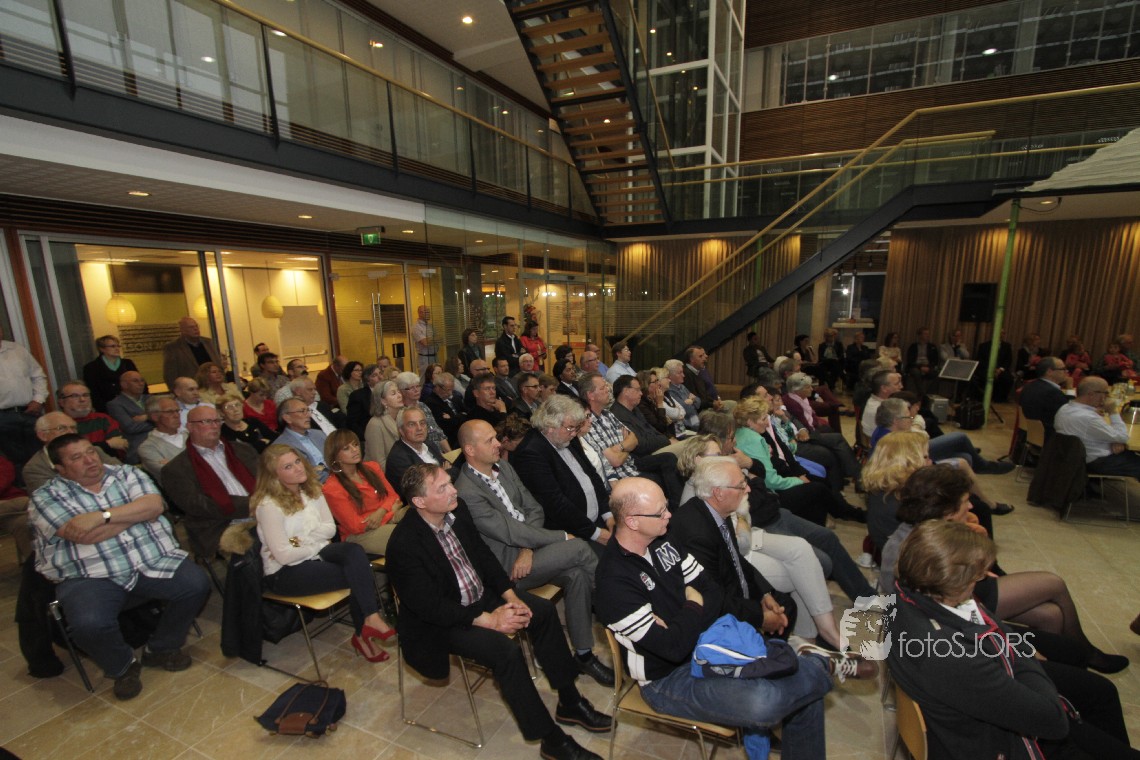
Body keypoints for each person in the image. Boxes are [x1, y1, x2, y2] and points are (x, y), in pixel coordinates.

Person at [595, 477, 838, 760]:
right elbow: (672, 649)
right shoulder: (613, 582)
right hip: (667, 680)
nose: (670, 515)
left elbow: (712, 590)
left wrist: (683, 619)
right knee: (765, 702)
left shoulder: (664, 541)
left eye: (667, 507)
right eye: (660, 512)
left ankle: (810, 666)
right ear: (632, 521)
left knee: (800, 691)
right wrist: (692, 604)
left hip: (711, 644)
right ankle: (820, 664)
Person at [387, 463, 611, 760]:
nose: (454, 490)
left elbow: (483, 557)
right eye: (442, 488)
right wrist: (491, 620)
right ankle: (552, 740)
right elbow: (430, 606)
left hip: (479, 597)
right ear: (419, 501)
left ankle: (570, 702)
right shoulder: (403, 544)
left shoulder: (457, 512)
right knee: (505, 653)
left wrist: (510, 597)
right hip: (443, 621)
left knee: (542, 612)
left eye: (449, 482)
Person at [888, 520, 1140, 759]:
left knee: (1099, 690)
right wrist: (1022, 653)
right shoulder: (949, 655)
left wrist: (1011, 646)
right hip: (998, 744)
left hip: (976, 712)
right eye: (976, 576)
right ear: (952, 582)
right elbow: (1053, 721)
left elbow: (992, 631)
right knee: (1089, 715)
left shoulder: (907, 594)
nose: (984, 577)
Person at [880, 464, 1127, 674]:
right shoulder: (925, 545)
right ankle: (1084, 655)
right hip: (955, 606)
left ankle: (1053, 676)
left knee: (1051, 615)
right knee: (1053, 583)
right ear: (946, 510)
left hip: (958, 597)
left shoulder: (925, 531)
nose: (971, 507)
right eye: (965, 502)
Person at [30, 434, 210, 700]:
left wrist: (102, 516)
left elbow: (154, 505)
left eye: (91, 451)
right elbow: (84, 535)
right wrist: (136, 515)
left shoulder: (126, 473)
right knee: (89, 624)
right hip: (89, 574)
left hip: (150, 560)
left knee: (196, 585)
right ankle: (122, 666)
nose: (90, 460)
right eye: (77, 457)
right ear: (60, 469)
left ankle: (161, 648)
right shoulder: (45, 496)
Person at [454, 419, 614, 686]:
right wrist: (561, 536)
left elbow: (534, 508)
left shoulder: (504, 467)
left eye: (496, 437)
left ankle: (584, 655)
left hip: (530, 551)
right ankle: (620, 612)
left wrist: (528, 548)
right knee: (579, 547)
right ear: (470, 450)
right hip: (507, 568)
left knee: (577, 574)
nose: (498, 443)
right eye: (490, 440)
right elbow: (509, 533)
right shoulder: (466, 492)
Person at [252, 444, 395, 662]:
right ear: (274, 475)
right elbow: (284, 556)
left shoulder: (312, 491)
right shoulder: (268, 506)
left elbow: (330, 529)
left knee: (354, 552)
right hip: (284, 572)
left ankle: (370, 619)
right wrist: (314, 542)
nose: (298, 468)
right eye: (288, 467)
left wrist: (298, 541)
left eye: (297, 461)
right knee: (357, 573)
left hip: (314, 554)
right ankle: (365, 629)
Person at [734, 397, 866, 524]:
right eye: (764, 419)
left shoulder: (743, 433)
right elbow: (771, 481)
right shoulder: (754, 440)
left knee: (820, 486)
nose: (767, 423)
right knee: (819, 489)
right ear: (750, 422)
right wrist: (798, 480)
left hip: (768, 484)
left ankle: (842, 514)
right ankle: (847, 514)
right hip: (770, 494)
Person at [511, 395, 613, 553]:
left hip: (597, 520)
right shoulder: (531, 453)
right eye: (570, 428)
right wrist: (596, 533)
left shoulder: (567, 437)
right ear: (550, 426)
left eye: (576, 428)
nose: (574, 433)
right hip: (573, 533)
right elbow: (555, 504)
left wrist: (608, 515)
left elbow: (592, 475)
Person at [162, 405, 258, 558]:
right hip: (222, 525)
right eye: (207, 421)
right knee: (262, 547)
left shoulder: (243, 449)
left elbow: (267, 480)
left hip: (264, 511)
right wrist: (252, 504)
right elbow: (199, 505)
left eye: (217, 421)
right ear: (190, 427)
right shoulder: (175, 469)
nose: (214, 426)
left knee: (296, 534)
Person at [322, 429, 405, 555]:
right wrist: (391, 511)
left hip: (387, 516)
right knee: (406, 535)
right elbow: (356, 526)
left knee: (423, 514)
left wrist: (381, 512)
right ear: (335, 456)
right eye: (346, 448)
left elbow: (394, 497)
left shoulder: (372, 467)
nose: (355, 450)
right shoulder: (332, 488)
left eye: (355, 445)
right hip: (361, 534)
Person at [1055, 375, 1140, 479]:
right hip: (1097, 461)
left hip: (1072, 457)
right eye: (1106, 393)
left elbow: (1111, 435)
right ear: (1091, 394)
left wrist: (1114, 440)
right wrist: (1113, 412)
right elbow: (1123, 437)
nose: (1107, 397)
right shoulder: (1089, 418)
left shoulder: (1064, 409)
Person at [0, 323, 49, 467]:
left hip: (29, 412)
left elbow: (38, 376)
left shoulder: (17, 349)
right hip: (2, 418)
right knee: (14, 462)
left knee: (42, 455)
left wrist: (38, 400)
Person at [384, 406, 444, 501]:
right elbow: (421, 490)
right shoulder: (398, 458)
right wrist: (444, 472)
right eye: (412, 424)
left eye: (422, 423)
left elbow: (452, 469)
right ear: (401, 430)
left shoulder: (430, 445)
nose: (419, 428)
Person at [57, 381, 129, 458]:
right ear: (61, 402)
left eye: (86, 395)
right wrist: (107, 444)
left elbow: (120, 447)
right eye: (75, 396)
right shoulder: (57, 424)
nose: (82, 399)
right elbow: (68, 454)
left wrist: (99, 446)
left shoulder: (103, 419)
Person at [273, 397, 330, 482]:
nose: (309, 415)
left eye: (308, 410)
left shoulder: (319, 434)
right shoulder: (280, 447)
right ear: (287, 418)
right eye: (302, 411)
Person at [395, 370, 451, 453]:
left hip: (438, 453)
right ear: (401, 391)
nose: (416, 390)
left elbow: (438, 433)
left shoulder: (423, 406)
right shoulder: (402, 413)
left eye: (418, 386)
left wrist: (450, 453)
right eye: (411, 388)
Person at [82, 335, 140, 412]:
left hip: (131, 404)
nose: (117, 348)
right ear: (102, 349)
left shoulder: (128, 363)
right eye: (112, 346)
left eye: (118, 346)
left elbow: (140, 382)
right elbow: (93, 392)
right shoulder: (91, 367)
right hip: (107, 407)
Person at [105, 370, 152, 464]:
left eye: (142, 380)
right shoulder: (115, 404)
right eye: (135, 381)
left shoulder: (151, 399)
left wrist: (147, 417)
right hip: (138, 446)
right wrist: (156, 421)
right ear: (124, 385)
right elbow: (130, 427)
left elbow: (166, 418)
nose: (141, 384)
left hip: (161, 441)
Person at [138, 395, 187, 484]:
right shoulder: (148, 448)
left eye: (177, 410)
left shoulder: (191, 435)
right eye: (170, 412)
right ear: (155, 417)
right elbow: (172, 473)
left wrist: (172, 463)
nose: (176, 415)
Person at [161, 317, 221, 389]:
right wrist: (176, 391)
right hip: (191, 388)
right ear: (182, 330)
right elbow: (170, 374)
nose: (195, 329)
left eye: (196, 326)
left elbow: (218, 364)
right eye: (191, 327)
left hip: (214, 386)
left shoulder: (208, 342)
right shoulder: (173, 347)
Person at [1019, 356, 1070, 440]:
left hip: (1028, 434)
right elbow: (1068, 416)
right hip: (1047, 437)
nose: (1066, 371)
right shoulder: (1053, 393)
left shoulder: (1030, 386)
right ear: (1050, 372)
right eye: (1063, 369)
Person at [976, 328, 1014, 402]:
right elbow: (980, 360)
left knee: (1008, 378)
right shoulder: (984, 346)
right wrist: (991, 369)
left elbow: (1008, 360)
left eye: (1002, 333)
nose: (1001, 335)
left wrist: (1000, 369)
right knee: (983, 377)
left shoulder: (1007, 346)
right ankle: (983, 398)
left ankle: (1000, 399)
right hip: (986, 369)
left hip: (1001, 370)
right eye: (999, 333)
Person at [411, 305, 437, 370]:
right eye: (426, 312)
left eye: (429, 312)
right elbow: (425, 342)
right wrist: (434, 339)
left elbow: (439, 339)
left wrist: (432, 339)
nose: (428, 314)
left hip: (434, 356)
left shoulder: (430, 326)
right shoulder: (416, 327)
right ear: (420, 313)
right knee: (425, 376)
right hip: (424, 358)